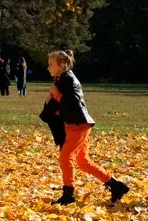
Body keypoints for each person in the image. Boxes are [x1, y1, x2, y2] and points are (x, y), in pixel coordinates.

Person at [44, 49, 129, 205]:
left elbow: (71, 103)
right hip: (76, 124)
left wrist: (55, 95)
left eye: (50, 64)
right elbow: (65, 106)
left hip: (78, 125)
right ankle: (116, 185)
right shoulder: (63, 79)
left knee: (65, 158)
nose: (48, 67)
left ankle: (68, 195)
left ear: (62, 65)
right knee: (83, 162)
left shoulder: (68, 79)